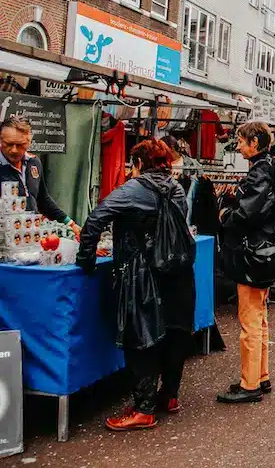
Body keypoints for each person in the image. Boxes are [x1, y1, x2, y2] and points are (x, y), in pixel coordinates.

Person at [77, 139, 195, 431]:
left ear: (139, 163)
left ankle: (144, 410)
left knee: (141, 339)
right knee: (173, 334)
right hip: (178, 273)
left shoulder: (133, 189)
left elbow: (94, 220)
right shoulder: (177, 188)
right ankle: (168, 397)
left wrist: (87, 259)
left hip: (143, 276)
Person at [217, 122, 275, 404]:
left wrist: (225, 214)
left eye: (241, 141)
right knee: (259, 317)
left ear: (254, 142)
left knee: (249, 319)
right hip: (266, 252)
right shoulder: (272, 171)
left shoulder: (259, 173)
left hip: (251, 256)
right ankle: (260, 375)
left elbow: (247, 214)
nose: (238, 146)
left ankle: (249, 384)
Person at [0, 116, 80, 233]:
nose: (14, 150)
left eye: (20, 145)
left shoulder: (34, 162)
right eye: (8, 144)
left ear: (29, 142)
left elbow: (43, 199)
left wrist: (70, 223)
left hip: (29, 237)